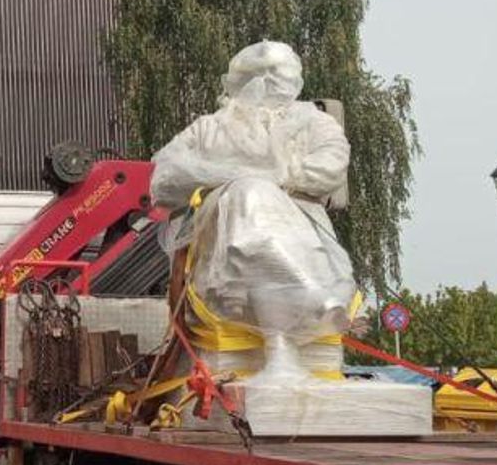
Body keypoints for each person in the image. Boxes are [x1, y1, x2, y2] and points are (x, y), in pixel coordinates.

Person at [151, 40, 357, 382]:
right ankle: (299, 309)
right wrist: (236, 178)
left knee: (254, 191)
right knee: (249, 192)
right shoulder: (210, 128)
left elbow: (331, 164)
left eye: (277, 76)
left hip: (301, 230)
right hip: (219, 241)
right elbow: (164, 179)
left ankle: (290, 321)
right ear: (240, 81)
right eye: (260, 76)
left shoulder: (313, 123)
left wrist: (281, 176)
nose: (268, 84)